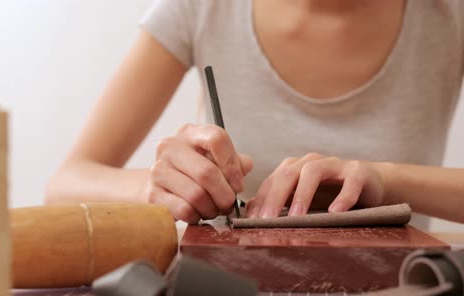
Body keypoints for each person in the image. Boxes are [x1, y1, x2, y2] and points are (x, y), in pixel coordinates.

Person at [45, 0, 464, 229]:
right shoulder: (202, 8)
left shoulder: (451, 16)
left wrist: (385, 181)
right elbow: (65, 185)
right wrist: (159, 188)